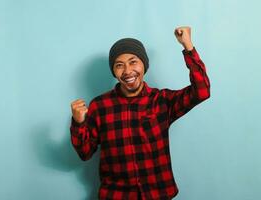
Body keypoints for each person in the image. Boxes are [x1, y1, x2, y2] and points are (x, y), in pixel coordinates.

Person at [70, 26, 211, 200]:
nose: (128, 71)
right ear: (114, 71)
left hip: (158, 194)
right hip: (116, 196)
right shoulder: (99, 106)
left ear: (144, 64)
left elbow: (202, 91)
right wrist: (78, 123)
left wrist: (188, 46)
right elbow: (85, 153)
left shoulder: (162, 101)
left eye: (133, 62)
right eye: (119, 65)